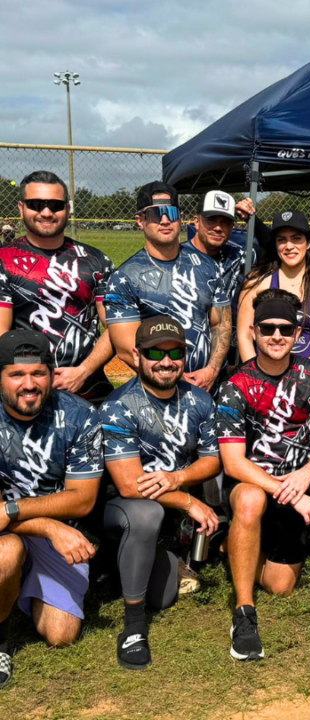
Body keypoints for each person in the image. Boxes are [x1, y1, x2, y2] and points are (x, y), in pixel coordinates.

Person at [216, 290, 310, 661]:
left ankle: (235, 544)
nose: (276, 336)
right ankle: (243, 614)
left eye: (285, 329)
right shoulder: (236, 384)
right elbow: (233, 463)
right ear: (253, 332)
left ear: (298, 333)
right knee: (252, 500)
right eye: (267, 328)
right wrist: (290, 491)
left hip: (294, 484)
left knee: (281, 586)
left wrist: (305, 474)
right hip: (252, 483)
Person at [99, 316, 221, 669]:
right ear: (136, 355)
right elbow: (128, 484)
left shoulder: (199, 400)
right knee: (146, 513)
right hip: (122, 508)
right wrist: (187, 499)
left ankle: (150, 560)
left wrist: (177, 477)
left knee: (164, 598)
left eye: (175, 353)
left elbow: (212, 460)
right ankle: (133, 628)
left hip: (166, 505)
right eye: (155, 352)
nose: (166, 362)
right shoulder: (118, 406)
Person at [0, 329, 103, 688]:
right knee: (6, 554)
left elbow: (83, 498)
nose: (28, 384)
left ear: (51, 374)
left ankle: (19, 587)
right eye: (16, 374)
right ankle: (1, 638)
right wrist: (48, 527)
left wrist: (15, 511)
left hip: (25, 522)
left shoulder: (80, 416)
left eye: (38, 373)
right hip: (14, 533)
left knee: (61, 634)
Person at [103, 181, 231, 393]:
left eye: (171, 213)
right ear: (140, 221)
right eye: (155, 214)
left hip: (209, 387)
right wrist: (176, 378)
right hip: (158, 391)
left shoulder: (209, 267)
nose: (164, 220)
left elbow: (221, 324)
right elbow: (127, 349)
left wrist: (212, 370)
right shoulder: (125, 277)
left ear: (180, 218)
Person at [0, 171, 115, 403]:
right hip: (25, 391)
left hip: (89, 387)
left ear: (68, 208)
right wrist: (36, 377)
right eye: (36, 204)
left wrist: (82, 372)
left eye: (55, 205)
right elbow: (1, 334)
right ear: (21, 208)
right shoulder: (4, 260)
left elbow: (116, 327)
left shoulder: (96, 261)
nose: (46, 212)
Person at [237, 211, 310, 365]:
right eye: (282, 240)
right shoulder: (256, 283)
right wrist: (255, 376)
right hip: (263, 376)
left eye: (296, 239)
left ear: (309, 243)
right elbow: (244, 336)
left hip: (308, 376)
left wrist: (300, 377)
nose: (289, 246)